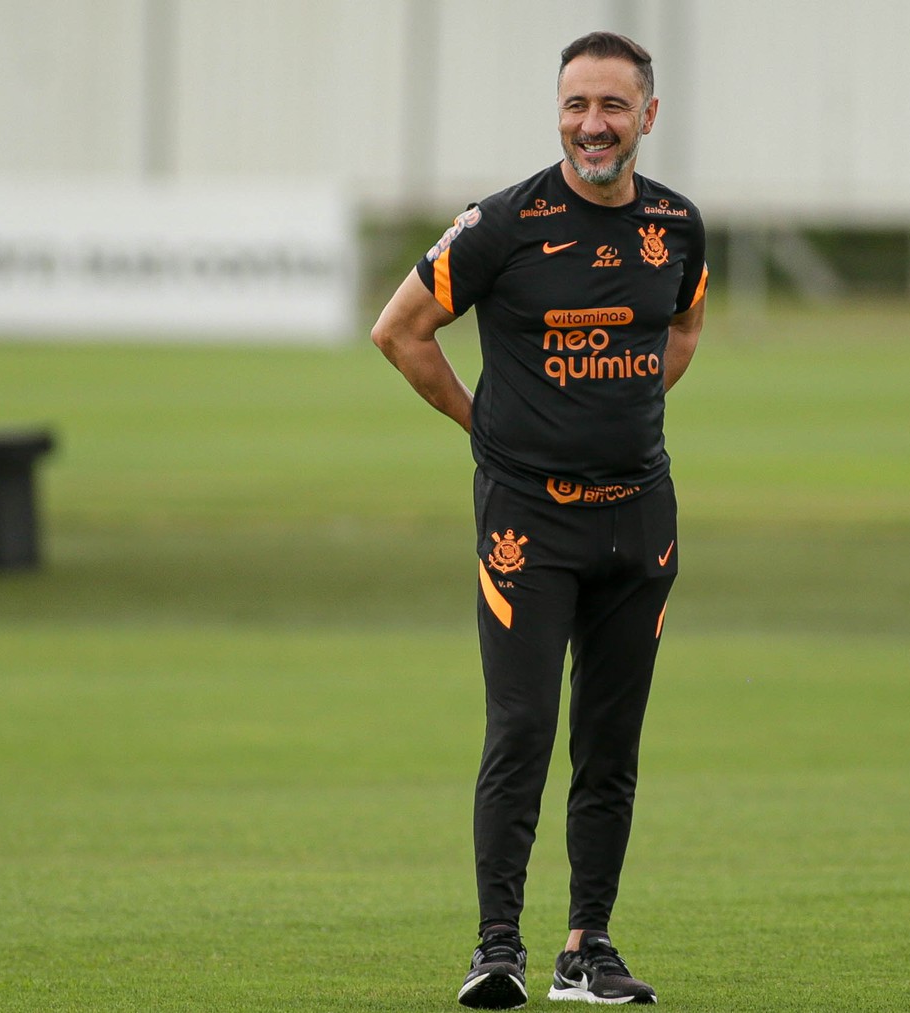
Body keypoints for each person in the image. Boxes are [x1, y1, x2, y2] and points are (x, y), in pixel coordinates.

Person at [371, 30, 707, 1009]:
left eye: (611, 106)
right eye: (575, 105)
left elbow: (681, 327)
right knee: (521, 728)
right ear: (557, 111)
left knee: (611, 739)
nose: (591, 124)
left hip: (640, 515)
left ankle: (587, 949)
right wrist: (489, 430)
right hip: (528, 521)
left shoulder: (678, 226)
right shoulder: (501, 225)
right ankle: (496, 950)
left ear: (647, 115)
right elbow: (399, 330)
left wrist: (625, 412)